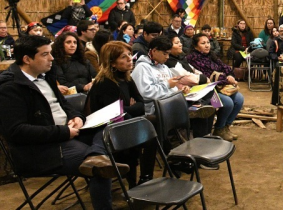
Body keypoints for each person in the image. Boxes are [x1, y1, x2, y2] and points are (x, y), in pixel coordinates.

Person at [0, 35, 128, 209]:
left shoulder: (45, 77)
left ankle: (96, 156)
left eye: (50, 53)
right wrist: (63, 132)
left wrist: (77, 117)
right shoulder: (10, 88)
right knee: (100, 168)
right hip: (42, 149)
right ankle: (97, 161)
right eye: (45, 54)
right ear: (27, 59)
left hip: (67, 135)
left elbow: (65, 106)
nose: (52, 58)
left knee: (111, 128)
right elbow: (16, 131)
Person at [86, 41, 154, 186]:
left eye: (130, 54)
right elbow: (114, 114)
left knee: (152, 125)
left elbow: (141, 105)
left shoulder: (126, 78)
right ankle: (134, 184)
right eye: (124, 57)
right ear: (112, 63)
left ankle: (145, 177)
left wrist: (127, 108)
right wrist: (129, 107)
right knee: (145, 130)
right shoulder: (105, 83)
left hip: (124, 123)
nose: (130, 59)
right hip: (105, 130)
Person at [187, 34, 245, 141]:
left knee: (239, 99)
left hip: (220, 86)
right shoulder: (193, 58)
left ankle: (224, 128)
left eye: (208, 42)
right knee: (228, 103)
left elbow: (225, 67)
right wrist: (226, 79)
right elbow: (208, 75)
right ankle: (218, 127)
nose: (207, 45)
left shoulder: (211, 55)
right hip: (205, 90)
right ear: (195, 46)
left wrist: (230, 75)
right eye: (203, 43)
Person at [131, 36, 190, 116]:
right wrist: (167, 85)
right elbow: (145, 93)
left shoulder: (164, 67)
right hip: (153, 109)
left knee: (197, 105)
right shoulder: (142, 67)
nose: (167, 57)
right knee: (188, 111)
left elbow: (170, 89)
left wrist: (179, 91)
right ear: (154, 50)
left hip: (168, 104)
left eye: (169, 54)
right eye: (164, 54)